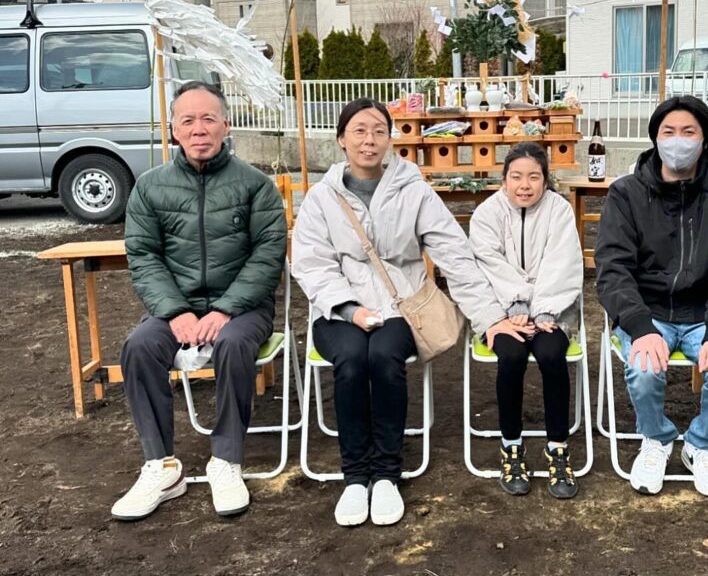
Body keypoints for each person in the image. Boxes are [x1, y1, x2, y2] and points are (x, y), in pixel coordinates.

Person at [291, 98, 506, 527]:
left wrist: (489, 318)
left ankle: (386, 473)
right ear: (341, 139)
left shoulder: (413, 189)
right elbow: (311, 262)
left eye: (378, 130)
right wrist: (348, 309)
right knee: (352, 359)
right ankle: (356, 476)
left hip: (401, 306)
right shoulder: (322, 197)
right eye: (359, 130)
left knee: (384, 357)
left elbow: (454, 254)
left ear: (389, 139)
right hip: (338, 310)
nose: (369, 140)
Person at [112, 81, 287, 521]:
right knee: (139, 346)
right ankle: (161, 466)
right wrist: (176, 312)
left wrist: (226, 309)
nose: (199, 129)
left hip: (244, 308)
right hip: (177, 307)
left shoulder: (255, 185)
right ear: (173, 130)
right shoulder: (150, 187)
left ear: (226, 125)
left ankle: (226, 459)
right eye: (187, 120)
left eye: (208, 118)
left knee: (233, 343)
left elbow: (268, 254)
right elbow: (144, 256)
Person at [595, 95, 708, 498]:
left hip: (705, 313)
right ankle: (656, 439)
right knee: (644, 368)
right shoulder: (626, 193)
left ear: (705, 139)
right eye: (668, 132)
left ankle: (702, 445)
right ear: (655, 138)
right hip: (649, 312)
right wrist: (639, 326)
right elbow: (613, 267)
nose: (678, 141)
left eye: (688, 132)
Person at [469, 143, 584, 499]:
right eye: (516, 176)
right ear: (503, 179)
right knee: (512, 355)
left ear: (546, 181)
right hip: (504, 310)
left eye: (534, 177)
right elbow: (486, 263)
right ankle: (511, 446)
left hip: (554, 307)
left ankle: (557, 448)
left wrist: (545, 307)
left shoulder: (559, 210)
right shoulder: (487, 214)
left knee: (551, 354)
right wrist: (514, 301)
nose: (525, 185)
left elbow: (563, 261)